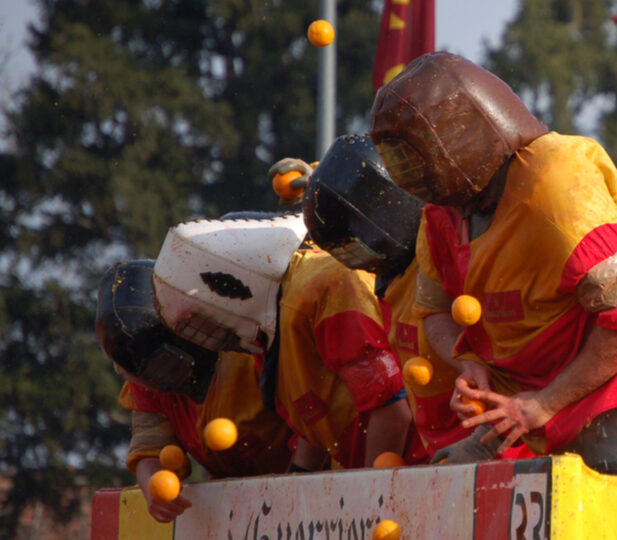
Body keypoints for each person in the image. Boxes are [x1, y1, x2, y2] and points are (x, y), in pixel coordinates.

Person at [369, 51, 617, 539]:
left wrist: (543, 403)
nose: (408, 174)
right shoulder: (444, 210)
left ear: (462, 136)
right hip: (539, 409)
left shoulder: (557, 183)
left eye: (414, 155)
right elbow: (434, 311)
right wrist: (466, 361)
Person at [151, 213, 409, 471]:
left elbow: (391, 407)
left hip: (415, 467)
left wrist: (374, 490)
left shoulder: (324, 287)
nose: (206, 334)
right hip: (370, 473)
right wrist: (298, 482)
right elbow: (316, 419)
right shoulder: (267, 333)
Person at [301, 133, 469, 463]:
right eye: (347, 251)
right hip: (441, 458)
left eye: (358, 242)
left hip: (487, 447)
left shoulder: (448, 252)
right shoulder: (391, 281)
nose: (359, 258)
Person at [96, 260, 293, 522]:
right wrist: (154, 487)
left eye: (162, 363)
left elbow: (310, 421)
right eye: (142, 374)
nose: (158, 378)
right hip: (241, 506)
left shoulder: (250, 346)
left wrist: (296, 482)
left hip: (318, 476)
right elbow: (150, 446)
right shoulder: (145, 375)